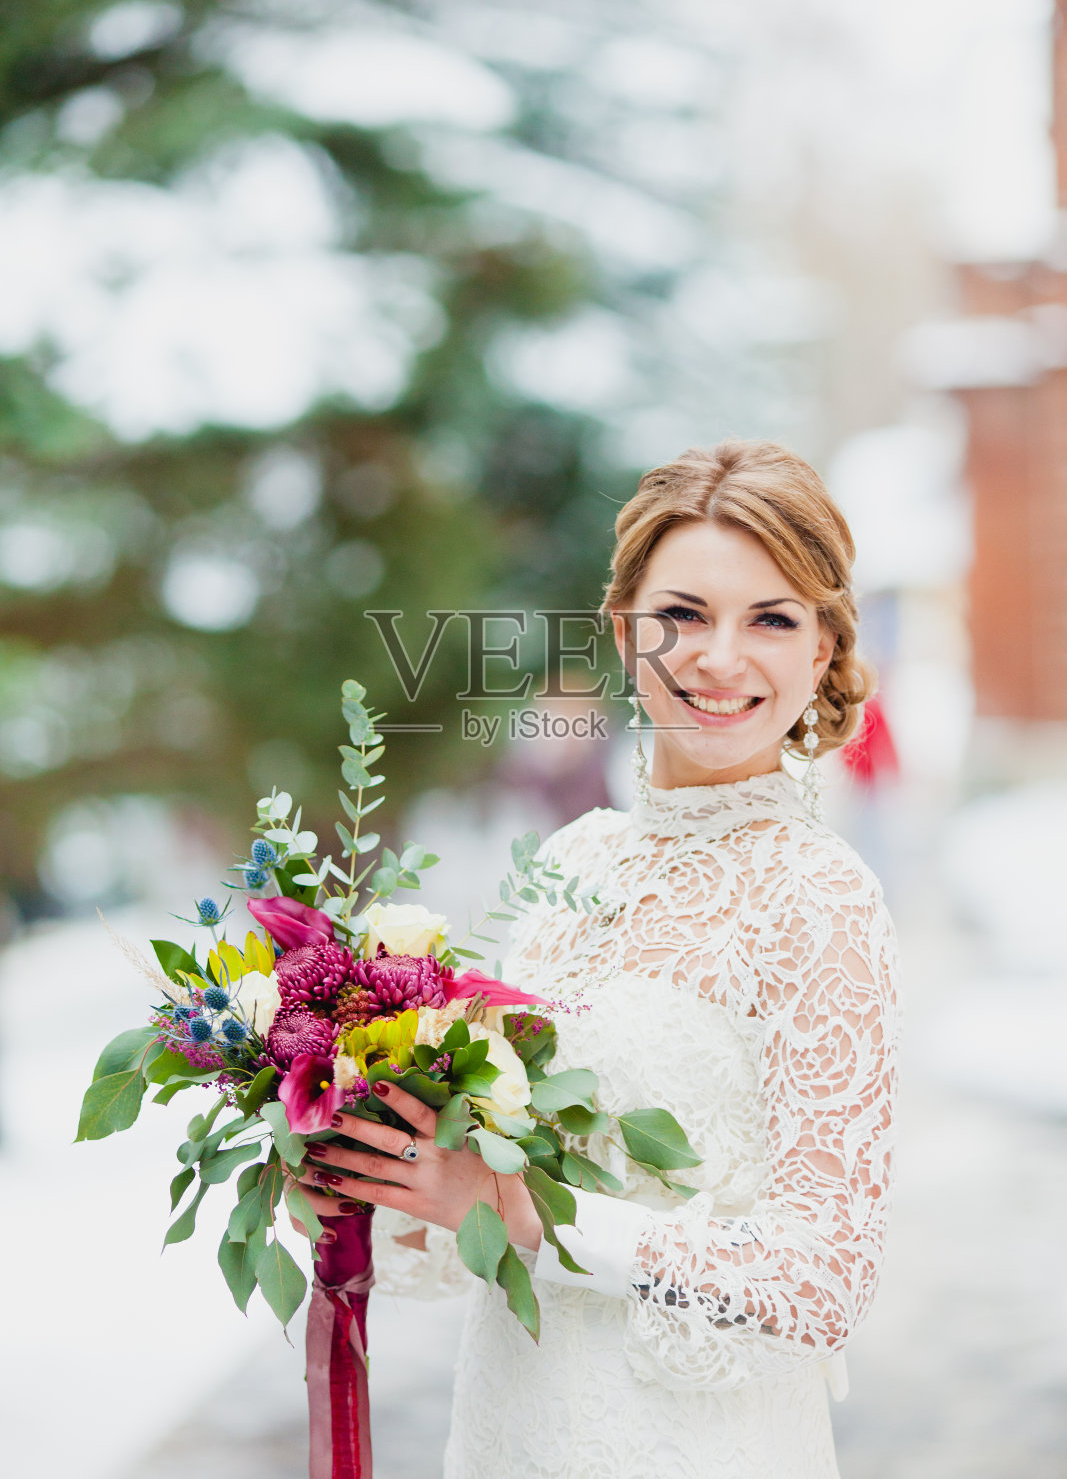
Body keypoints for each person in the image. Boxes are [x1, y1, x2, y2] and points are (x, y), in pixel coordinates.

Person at [293, 439, 901, 1479]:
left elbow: (821, 1281)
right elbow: (478, 1193)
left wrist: (519, 1212)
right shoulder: (570, 862)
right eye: (682, 615)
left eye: (770, 618)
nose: (719, 657)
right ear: (623, 633)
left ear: (822, 649)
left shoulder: (820, 895)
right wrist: (366, 1172)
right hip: (509, 1432)